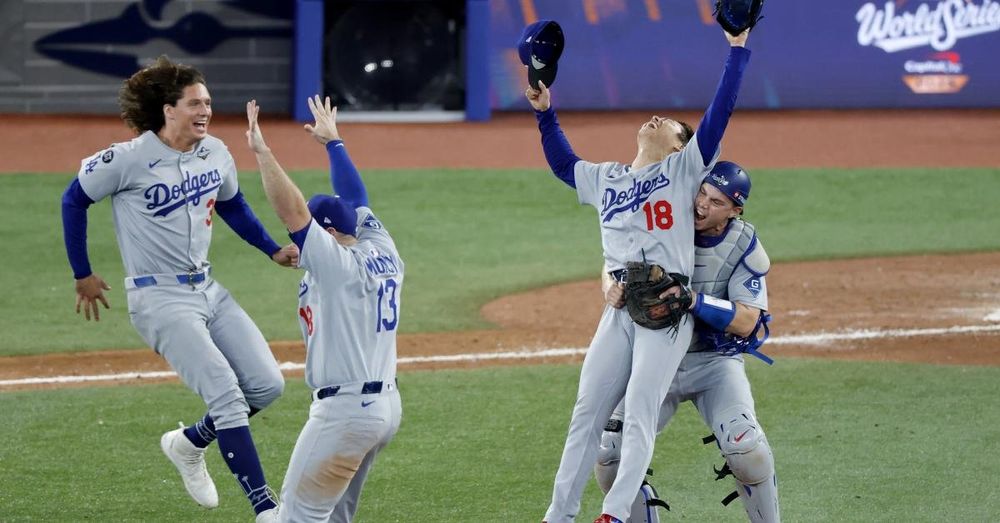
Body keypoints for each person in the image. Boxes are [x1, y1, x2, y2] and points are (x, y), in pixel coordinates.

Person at [529, 29, 754, 523]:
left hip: (666, 312)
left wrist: (737, 49)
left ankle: (613, 514)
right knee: (586, 414)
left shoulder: (682, 171)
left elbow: (720, 112)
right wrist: (545, 111)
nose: (654, 119)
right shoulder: (606, 177)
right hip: (619, 311)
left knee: (639, 410)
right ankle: (558, 515)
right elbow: (564, 164)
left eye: (668, 124)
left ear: (680, 148)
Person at [60, 56, 295, 522]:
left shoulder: (216, 152)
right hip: (159, 299)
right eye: (195, 103)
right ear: (169, 110)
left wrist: (270, 249)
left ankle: (189, 443)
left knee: (267, 386)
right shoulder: (127, 158)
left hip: (208, 289)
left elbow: (232, 204)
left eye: (207, 102)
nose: (205, 110)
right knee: (227, 395)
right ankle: (266, 508)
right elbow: (73, 199)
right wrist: (81, 273)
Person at [245, 95, 404, 523]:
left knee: (294, 518)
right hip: (385, 408)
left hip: (346, 413)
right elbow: (355, 196)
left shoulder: (336, 264)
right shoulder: (382, 247)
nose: (298, 242)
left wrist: (262, 153)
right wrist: (334, 143)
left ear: (328, 234)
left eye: (309, 235)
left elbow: (291, 211)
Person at [595, 161, 779, 523]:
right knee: (609, 453)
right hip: (655, 360)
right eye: (702, 193)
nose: (702, 205)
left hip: (713, 362)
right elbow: (613, 255)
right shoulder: (663, 220)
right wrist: (610, 286)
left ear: (735, 210)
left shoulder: (742, 244)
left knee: (747, 449)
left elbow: (748, 322)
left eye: (716, 202)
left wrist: (694, 300)